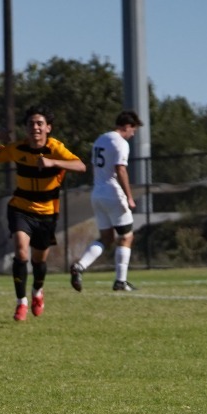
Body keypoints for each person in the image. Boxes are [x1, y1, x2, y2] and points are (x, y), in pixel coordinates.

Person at [0, 107, 87, 322]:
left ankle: (37, 292)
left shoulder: (55, 148)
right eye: (31, 123)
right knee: (21, 253)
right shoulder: (17, 148)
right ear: (26, 128)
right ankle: (21, 302)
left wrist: (54, 163)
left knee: (39, 260)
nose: (35, 127)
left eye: (40, 123)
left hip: (47, 213)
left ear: (48, 128)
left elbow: (80, 166)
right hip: (20, 208)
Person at [71, 110, 142, 293]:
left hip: (97, 193)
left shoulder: (100, 139)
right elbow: (121, 170)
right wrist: (129, 196)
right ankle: (121, 281)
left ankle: (80, 266)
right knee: (126, 236)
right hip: (113, 193)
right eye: (133, 130)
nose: (133, 134)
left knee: (106, 238)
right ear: (126, 126)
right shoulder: (121, 143)